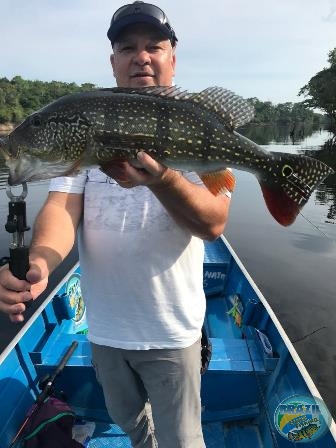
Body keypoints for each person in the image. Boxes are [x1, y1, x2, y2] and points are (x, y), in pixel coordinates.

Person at [0, 2, 232, 447]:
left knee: (182, 438)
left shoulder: (195, 123)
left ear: (172, 58)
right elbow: (61, 211)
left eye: (154, 46)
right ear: (113, 61)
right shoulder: (85, 123)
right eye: (127, 47)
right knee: (127, 418)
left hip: (172, 329)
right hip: (105, 328)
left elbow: (214, 223)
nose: (141, 56)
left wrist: (162, 178)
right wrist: (41, 263)